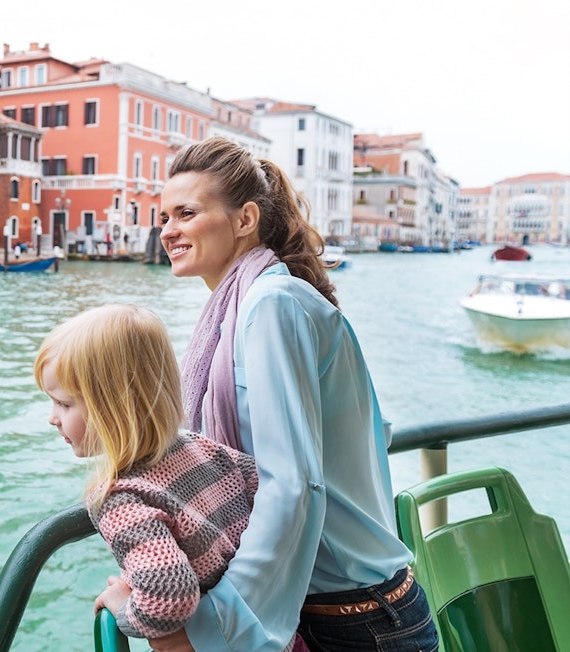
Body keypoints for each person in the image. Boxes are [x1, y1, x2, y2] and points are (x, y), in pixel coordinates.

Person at [147, 136, 438, 651]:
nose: (168, 230)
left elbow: (293, 483)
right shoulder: (254, 305)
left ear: (245, 220)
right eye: (164, 216)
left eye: (186, 213)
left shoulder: (271, 304)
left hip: (356, 620)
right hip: (355, 609)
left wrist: (220, 621)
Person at [33, 304, 290, 645]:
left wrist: (123, 609)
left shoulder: (120, 498)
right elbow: (266, 495)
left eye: (64, 404)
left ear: (114, 407)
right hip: (273, 632)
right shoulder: (199, 446)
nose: (53, 417)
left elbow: (169, 596)